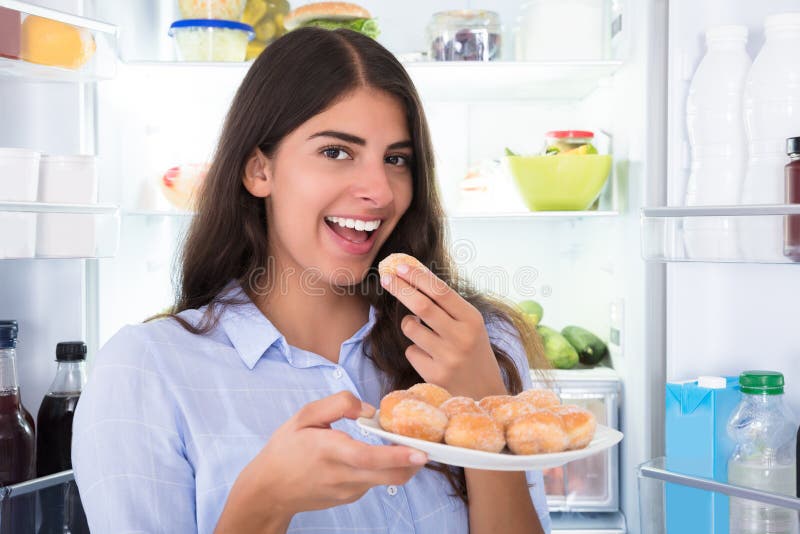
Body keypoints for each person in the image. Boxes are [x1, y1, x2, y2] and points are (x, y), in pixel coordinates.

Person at [72, 27, 552, 534]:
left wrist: (482, 407)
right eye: (336, 152)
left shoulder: (479, 345)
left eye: (396, 159)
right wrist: (263, 502)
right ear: (259, 170)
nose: (380, 192)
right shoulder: (146, 373)